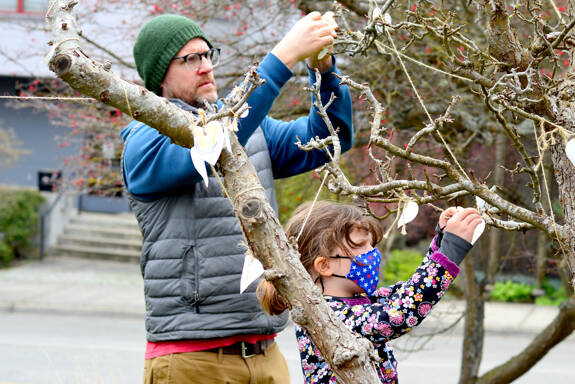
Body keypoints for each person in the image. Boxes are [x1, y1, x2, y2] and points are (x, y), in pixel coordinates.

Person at [121, 11, 352, 384]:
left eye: (207, 54)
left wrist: (323, 70)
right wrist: (284, 56)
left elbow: (330, 139)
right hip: (192, 359)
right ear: (160, 76)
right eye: (189, 59)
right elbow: (216, 143)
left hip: (266, 352)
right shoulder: (146, 139)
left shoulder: (245, 130)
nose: (205, 66)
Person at [258, 202, 482, 383]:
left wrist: (442, 242)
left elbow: (408, 292)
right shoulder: (329, 315)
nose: (372, 253)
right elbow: (400, 313)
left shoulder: (357, 304)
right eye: (360, 245)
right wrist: (452, 249)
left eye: (371, 245)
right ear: (325, 265)